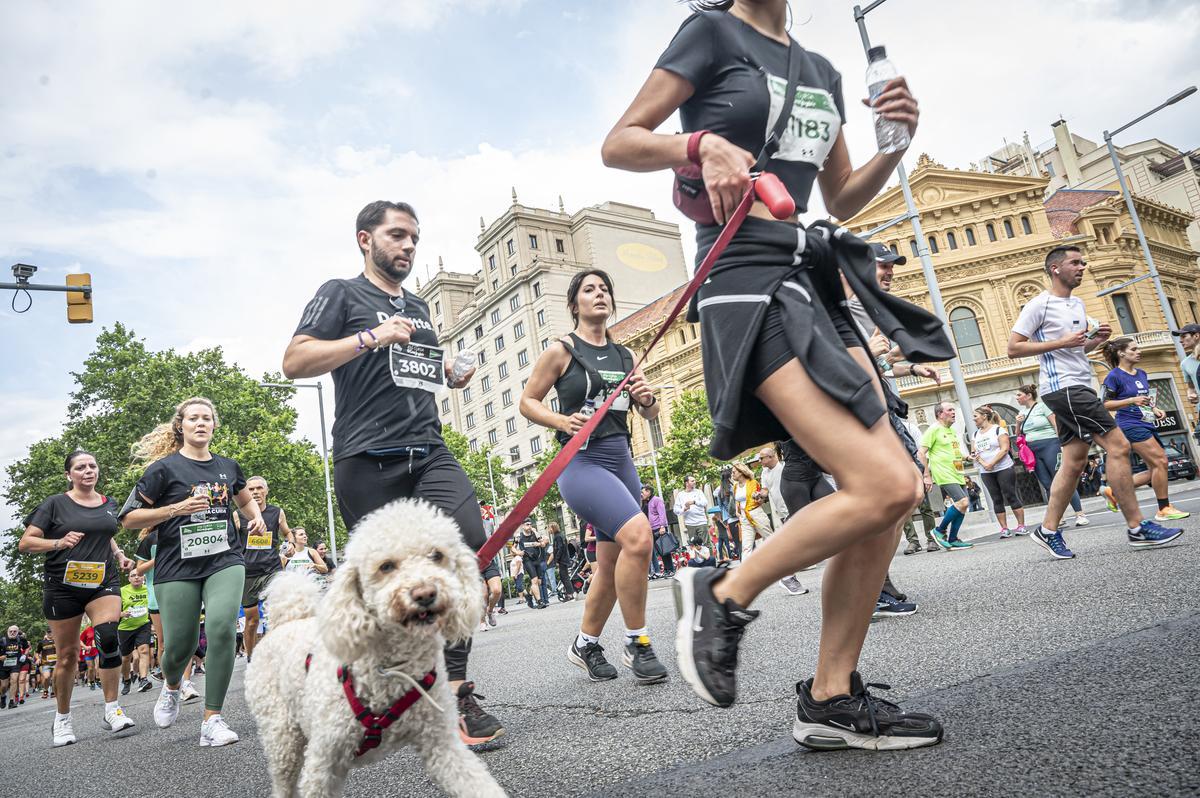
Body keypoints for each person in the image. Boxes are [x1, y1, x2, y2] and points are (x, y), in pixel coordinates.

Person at [605, 0, 952, 749]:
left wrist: (896, 144)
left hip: (810, 272)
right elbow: (620, 143)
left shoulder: (820, 70)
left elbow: (842, 194)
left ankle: (830, 697)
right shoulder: (710, 33)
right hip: (741, 275)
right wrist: (700, 145)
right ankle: (722, 594)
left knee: (896, 490)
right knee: (883, 484)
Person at [283, 200, 503, 745]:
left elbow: (416, 370)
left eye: (414, 239)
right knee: (382, 590)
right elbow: (295, 360)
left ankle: (454, 694)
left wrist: (449, 371)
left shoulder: (423, 307)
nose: (407, 247)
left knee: (465, 554)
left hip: (428, 449)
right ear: (366, 239)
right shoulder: (340, 292)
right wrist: (369, 338)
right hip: (365, 459)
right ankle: (370, 687)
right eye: (397, 236)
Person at [520, 269, 668, 685]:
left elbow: (650, 413)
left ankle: (585, 644)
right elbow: (528, 402)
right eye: (590, 290)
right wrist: (561, 420)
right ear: (575, 305)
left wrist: (647, 398)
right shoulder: (562, 351)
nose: (599, 294)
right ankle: (637, 642)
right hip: (582, 463)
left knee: (610, 563)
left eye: (605, 289)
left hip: (621, 459)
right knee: (639, 537)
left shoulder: (625, 356)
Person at [1008, 245, 1184, 558]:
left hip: (1079, 385)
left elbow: (1076, 349)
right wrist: (1064, 341)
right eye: (1075, 262)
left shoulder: (1076, 305)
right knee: (1118, 446)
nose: (1082, 266)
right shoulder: (1039, 304)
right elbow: (1014, 348)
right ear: (1055, 269)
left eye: (1083, 262)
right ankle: (1137, 527)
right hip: (1064, 388)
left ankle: (1047, 530)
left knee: (1074, 461)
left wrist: (1095, 341)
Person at [119, 397, 265, 747]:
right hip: (177, 566)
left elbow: (244, 499)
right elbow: (127, 519)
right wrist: (175, 508)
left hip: (224, 559)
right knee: (179, 646)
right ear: (180, 426)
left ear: (214, 425)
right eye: (193, 418)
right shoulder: (162, 470)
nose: (201, 423)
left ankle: (212, 719)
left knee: (219, 629)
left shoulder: (229, 467)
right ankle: (171, 686)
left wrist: (254, 515)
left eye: (207, 418)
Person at [17, 450, 137, 744]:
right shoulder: (55, 504)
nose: (88, 471)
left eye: (92, 466)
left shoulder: (108, 503)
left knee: (109, 637)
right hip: (63, 586)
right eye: (80, 467)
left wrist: (119, 554)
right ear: (69, 475)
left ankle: (112, 709)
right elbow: (25, 543)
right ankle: (62, 719)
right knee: (68, 656)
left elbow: (104, 533)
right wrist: (58, 541)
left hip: (102, 581)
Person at [1100, 338, 1189, 521]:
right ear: (1121, 353)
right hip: (1130, 424)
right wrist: (1131, 401)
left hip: (1147, 422)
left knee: (1157, 468)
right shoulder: (1114, 376)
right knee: (1161, 461)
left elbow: (1145, 400)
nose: (1138, 351)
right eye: (1134, 349)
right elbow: (1105, 404)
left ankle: (1114, 492)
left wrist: (1155, 409)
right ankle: (1163, 508)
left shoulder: (1141, 373)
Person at [233, 476, 295, 664]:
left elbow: (287, 532)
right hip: (248, 572)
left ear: (266, 491)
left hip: (272, 569)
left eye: (259, 488)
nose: (255, 492)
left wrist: (290, 543)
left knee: (278, 612)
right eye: (251, 489)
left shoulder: (277, 512)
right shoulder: (238, 515)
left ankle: (281, 655)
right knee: (252, 621)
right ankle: (252, 659)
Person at [1014, 385, 1088, 526]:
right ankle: (1058, 518)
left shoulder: (1043, 407)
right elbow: (1018, 434)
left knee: (1063, 480)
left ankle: (1080, 514)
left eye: (1019, 395)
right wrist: (1018, 422)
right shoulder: (1021, 412)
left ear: (1028, 395)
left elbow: (1056, 425)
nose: (1017, 398)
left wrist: (1063, 444)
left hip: (1050, 445)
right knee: (1047, 484)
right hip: (1032, 450)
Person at [919, 402, 973, 550]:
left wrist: (966, 458)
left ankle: (953, 538)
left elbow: (952, 453)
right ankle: (938, 530)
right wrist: (926, 475)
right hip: (944, 473)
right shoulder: (933, 429)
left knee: (963, 505)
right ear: (940, 414)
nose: (953, 412)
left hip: (957, 472)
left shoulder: (951, 431)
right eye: (950, 410)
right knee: (962, 501)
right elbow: (921, 453)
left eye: (954, 410)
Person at [969, 406, 1027, 537]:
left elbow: (1004, 449)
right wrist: (979, 461)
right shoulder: (975, 434)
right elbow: (974, 452)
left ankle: (1021, 526)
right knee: (996, 499)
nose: (974, 419)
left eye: (975, 416)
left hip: (1003, 468)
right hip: (986, 471)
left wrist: (992, 463)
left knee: (1011, 495)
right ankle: (1004, 528)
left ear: (984, 416)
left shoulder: (998, 430)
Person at [756, 446, 807, 594]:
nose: (760, 461)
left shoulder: (785, 468)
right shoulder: (764, 473)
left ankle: (787, 576)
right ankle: (787, 576)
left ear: (772, 457)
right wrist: (758, 495)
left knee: (796, 544)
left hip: (794, 509)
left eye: (762, 458)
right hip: (783, 513)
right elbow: (765, 492)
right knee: (792, 545)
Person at [118, 570, 154, 695]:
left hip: (143, 624)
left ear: (143, 577)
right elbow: (112, 608)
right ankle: (127, 680)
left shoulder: (148, 589)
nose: (136, 577)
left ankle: (143, 679)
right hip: (125, 628)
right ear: (129, 579)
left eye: (139, 575)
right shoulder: (122, 591)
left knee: (144, 650)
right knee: (125, 658)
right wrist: (121, 614)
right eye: (133, 576)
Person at [642, 484, 674, 578]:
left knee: (665, 550)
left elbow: (662, 513)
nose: (642, 494)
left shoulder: (657, 500)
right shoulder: (648, 502)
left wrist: (663, 526)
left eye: (643, 492)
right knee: (660, 551)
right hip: (652, 529)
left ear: (648, 492)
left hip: (660, 528)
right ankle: (666, 570)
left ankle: (670, 570)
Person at [516, 522, 549, 608]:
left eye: (531, 524)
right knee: (534, 580)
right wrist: (519, 552)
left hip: (536, 559)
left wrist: (538, 542)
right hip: (527, 560)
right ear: (522, 526)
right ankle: (539, 601)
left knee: (538, 582)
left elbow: (543, 544)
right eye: (527, 524)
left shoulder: (535, 534)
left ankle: (529, 596)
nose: (529, 526)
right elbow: (512, 548)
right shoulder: (519, 536)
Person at [1174, 323, 1199, 429]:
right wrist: (1191, 395)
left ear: (1196, 336)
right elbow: (1191, 387)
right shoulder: (1185, 363)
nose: (1180, 340)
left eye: (1184, 336)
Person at [1, 625, 32, 709]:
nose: (12, 633)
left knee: (14, 680)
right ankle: (3, 696)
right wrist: (1, 657)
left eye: (14, 631)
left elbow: (27, 647)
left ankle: (11, 701)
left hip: (15, 664)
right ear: (7, 632)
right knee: (4, 686)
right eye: (10, 631)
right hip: (3, 665)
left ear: (17, 632)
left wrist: (25, 655)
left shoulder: (21, 639)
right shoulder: (2, 640)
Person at [673, 476, 710, 545]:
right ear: (686, 483)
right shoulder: (680, 495)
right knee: (694, 545)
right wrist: (683, 509)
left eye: (694, 480)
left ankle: (709, 556)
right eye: (692, 481)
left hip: (701, 522)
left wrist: (694, 502)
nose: (694, 482)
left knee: (705, 544)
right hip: (690, 524)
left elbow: (705, 502)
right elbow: (675, 510)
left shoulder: (698, 492)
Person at [549, 522, 575, 602]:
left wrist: (556, 559)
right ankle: (569, 594)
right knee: (564, 577)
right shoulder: (559, 535)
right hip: (563, 559)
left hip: (562, 560)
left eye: (549, 528)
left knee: (565, 577)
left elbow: (560, 549)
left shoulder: (558, 536)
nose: (548, 530)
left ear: (553, 528)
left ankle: (570, 595)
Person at [36, 630, 56, 699]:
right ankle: (45, 690)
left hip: (56, 662)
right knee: (47, 677)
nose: (50, 633)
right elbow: (37, 652)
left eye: (51, 632)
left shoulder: (57, 640)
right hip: (46, 663)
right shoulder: (42, 642)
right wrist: (38, 658)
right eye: (48, 632)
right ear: (46, 633)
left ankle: (53, 692)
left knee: (54, 678)